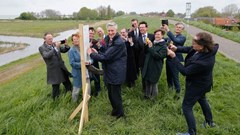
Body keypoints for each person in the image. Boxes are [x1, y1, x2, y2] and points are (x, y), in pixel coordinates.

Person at [167, 32, 218, 135]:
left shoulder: (203, 62)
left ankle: (191, 132)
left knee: (186, 107)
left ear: (202, 45)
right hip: (204, 83)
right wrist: (177, 49)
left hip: (196, 86)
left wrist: (173, 56)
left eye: (195, 43)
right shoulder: (207, 49)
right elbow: (190, 49)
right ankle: (210, 122)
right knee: (202, 100)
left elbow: (185, 71)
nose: (192, 44)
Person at [88, 22, 127, 119]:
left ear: (116, 30)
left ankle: (120, 114)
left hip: (116, 72)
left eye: (112, 30)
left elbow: (106, 56)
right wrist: (98, 51)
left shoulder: (118, 42)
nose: (110, 32)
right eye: (109, 30)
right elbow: (104, 50)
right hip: (109, 71)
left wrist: (91, 54)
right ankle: (115, 111)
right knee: (110, 94)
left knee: (116, 95)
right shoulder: (108, 39)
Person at [39, 32, 72, 100]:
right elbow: (46, 56)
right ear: (44, 39)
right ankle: (55, 100)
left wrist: (66, 45)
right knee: (56, 86)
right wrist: (55, 48)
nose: (51, 40)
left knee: (67, 83)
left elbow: (63, 50)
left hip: (61, 67)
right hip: (53, 70)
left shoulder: (54, 44)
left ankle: (69, 95)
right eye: (49, 39)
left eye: (51, 38)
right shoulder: (42, 48)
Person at [142, 29, 167, 99]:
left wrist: (150, 47)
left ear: (162, 35)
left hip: (155, 67)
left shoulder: (163, 46)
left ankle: (153, 98)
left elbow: (158, 56)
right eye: (156, 34)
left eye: (158, 34)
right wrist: (146, 45)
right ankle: (147, 96)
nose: (157, 36)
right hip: (148, 65)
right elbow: (146, 52)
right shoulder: (153, 43)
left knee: (153, 82)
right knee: (147, 81)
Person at [163, 22, 186, 98]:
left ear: (182, 30)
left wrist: (168, 30)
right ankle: (170, 91)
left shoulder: (182, 37)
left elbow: (176, 41)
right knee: (169, 76)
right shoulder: (171, 37)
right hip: (169, 59)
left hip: (176, 60)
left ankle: (177, 94)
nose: (177, 28)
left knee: (175, 77)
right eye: (177, 27)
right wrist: (161, 32)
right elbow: (164, 39)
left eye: (180, 27)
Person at [136, 21, 154, 94]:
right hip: (142, 60)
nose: (141, 29)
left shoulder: (152, 36)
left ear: (147, 28)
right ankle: (144, 90)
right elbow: (137, 50)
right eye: (140, 28)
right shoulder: (138, 38)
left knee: (151, 75)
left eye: (143, 27)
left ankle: (152, 90)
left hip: (151, 60)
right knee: (143, 76)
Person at [89, 27, 102, 96]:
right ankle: (88, 93)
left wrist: (99, 47)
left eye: (93, 34)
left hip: (95, 63)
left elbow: (99, 52)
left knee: (97, 78)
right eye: (90, 33)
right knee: (89, 79)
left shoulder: (95, 41)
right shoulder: (84, 42)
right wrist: (88, 46)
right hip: (87, 64)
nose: (92, 35)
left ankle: (98, 92)